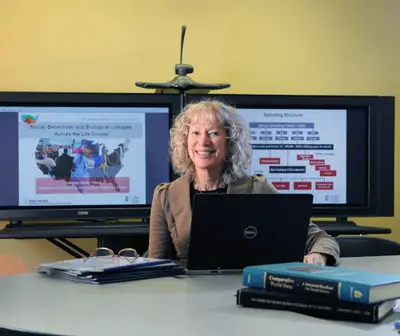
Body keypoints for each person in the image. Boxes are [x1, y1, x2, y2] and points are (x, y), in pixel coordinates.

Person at [148, 99, 340, 266]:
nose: (203, 142)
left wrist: (318, 256)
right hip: (186, 297)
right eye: (195, 133)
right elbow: (156, 267)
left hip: (244, 289)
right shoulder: (165, 195)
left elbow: (319, 238)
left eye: (214, 133)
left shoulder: (257, 188)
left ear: (230, 141)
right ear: (184, 140)